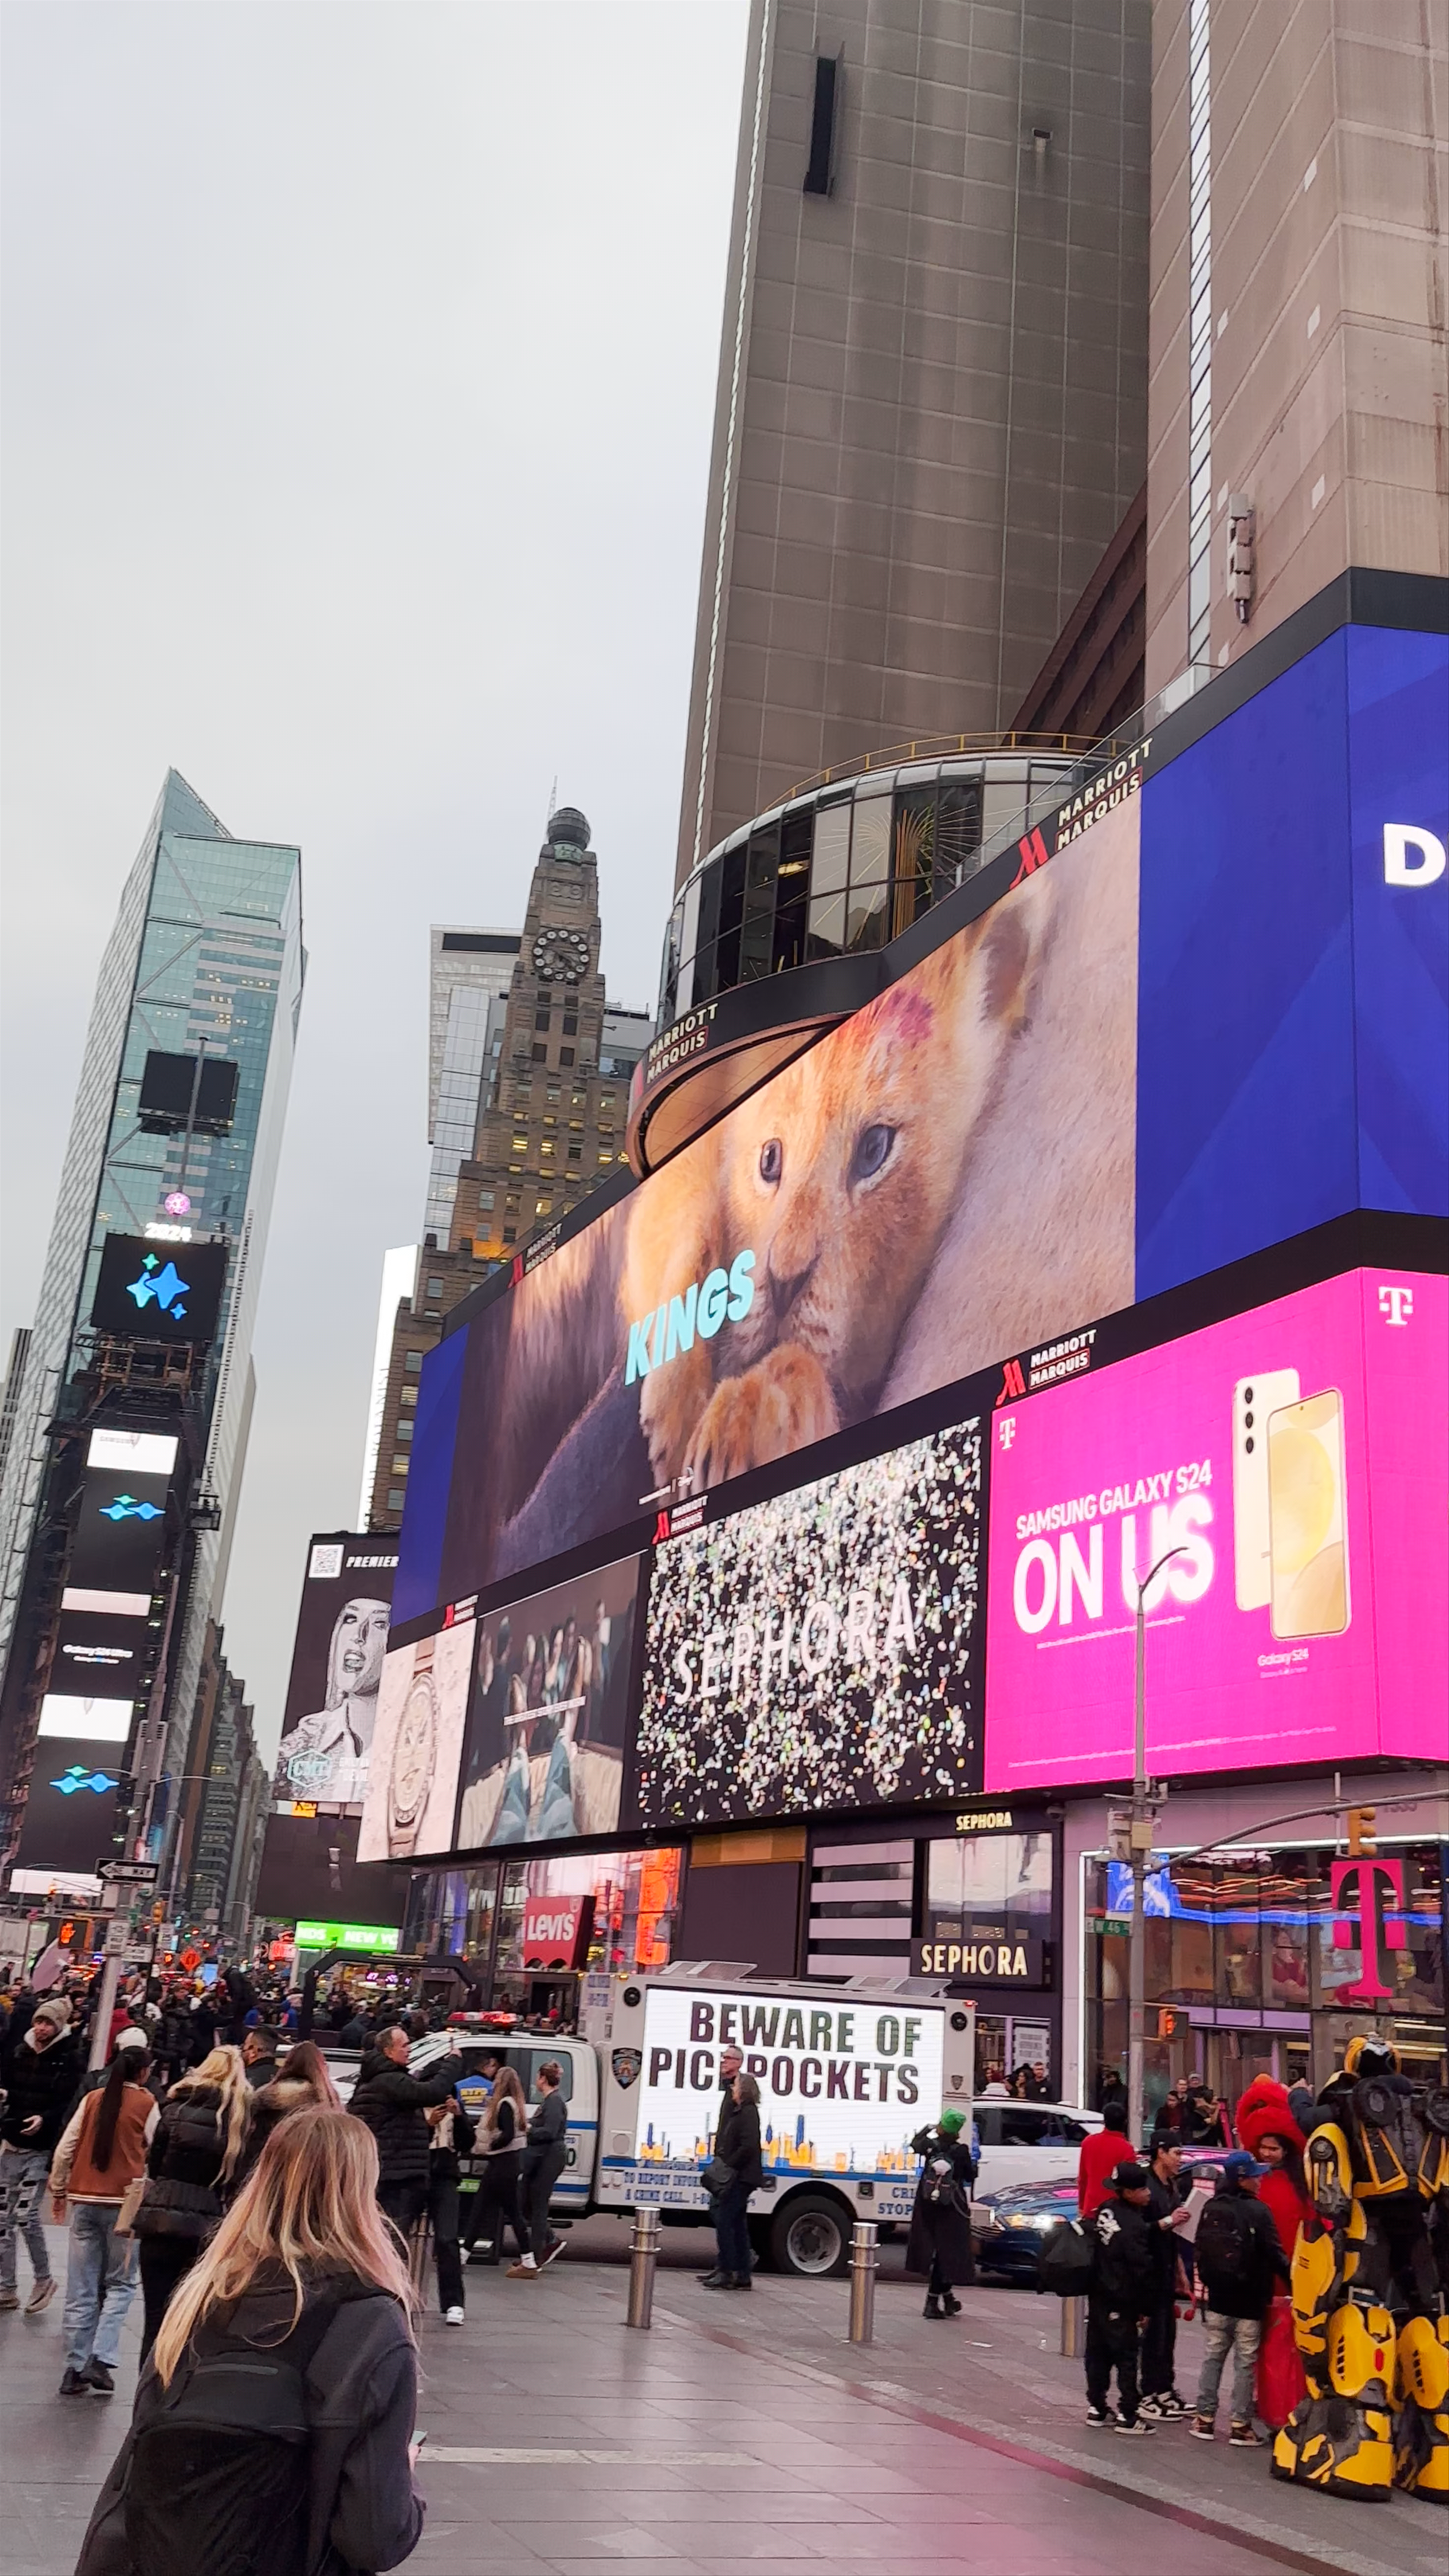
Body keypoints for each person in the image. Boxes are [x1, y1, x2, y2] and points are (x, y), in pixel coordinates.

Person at [74, 2107, 424, 2576]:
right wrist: (403, 2474)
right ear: (361, 2193)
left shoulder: (201, 2302)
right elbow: (375, 2539)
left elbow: (133, 2476)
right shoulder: (372, 2322)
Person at [49, 2038, 158, 2397]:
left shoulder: (92, 2098)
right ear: (144, 2072)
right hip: (124, 2202)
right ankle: (102, 2355)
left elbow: (67, 2146)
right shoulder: (146, 2103)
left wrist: (60, 2187)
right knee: (122, 2284)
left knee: (81, 2286)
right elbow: (158, 2147)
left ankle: (74, 2366)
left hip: (85, 2198)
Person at [132, 2044, 252, 2358]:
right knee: (189, 2318)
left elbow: (155, 2165)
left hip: (160, 2217)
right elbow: (236, 2178)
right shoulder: (235, 2121)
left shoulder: (173, 2108)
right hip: (205, 2224)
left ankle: (147, 2388)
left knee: (155, 2316)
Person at [1190, 2148, 1291, 2447]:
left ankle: (1204, 2419)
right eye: (1255, 2177)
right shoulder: (1259, 2211)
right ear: (1243, 2178)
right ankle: (1240, 2425)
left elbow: (1200, 2247)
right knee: (1246, 2362)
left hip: (1219, 2296)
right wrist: (1294, 2283)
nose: (1260, 2181)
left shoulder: (1212, 2206)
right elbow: (1274, 2254)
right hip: (1250, 2299)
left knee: (1213, 2356)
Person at [0, 1993, 80, 2316]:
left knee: (26, 2213)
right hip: (12, 2142)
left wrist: (45, 2119)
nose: (42, 2028)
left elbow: (69, 2103)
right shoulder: (19, 2050)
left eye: (48, 2022)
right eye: (39, 2021)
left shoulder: (70, 2057)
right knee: (3, 2217)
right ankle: (6, 2285)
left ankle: (43, 2277)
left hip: (42, 2146)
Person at [347, 2024, 463, 2245]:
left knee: (388, 2237)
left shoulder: (379, 2079)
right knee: (393, 2240)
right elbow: (432, 2092)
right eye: (404, 2045)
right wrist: (453, 2062)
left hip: (391, 2171)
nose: (409, 2049)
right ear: (388, 2052)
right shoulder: (390, 2081)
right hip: (397, 2176)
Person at [1085, 2161, 1156, 2435]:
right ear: (1128, 2192)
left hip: (1099, 2294)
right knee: (1126, 2356)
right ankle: (1128, 2414)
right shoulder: (1134, 2225)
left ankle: (1097, 2407)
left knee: (1098, 2353)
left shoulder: (1106, 2210)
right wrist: (1146, 2307)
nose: (1148, 2193)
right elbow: (1141, 2269)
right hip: (1123, 2299)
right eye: (1142, 2189)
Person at [235, 2039, 344, 2187]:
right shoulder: (329, 2100)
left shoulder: (267, 2095)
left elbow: (253, 2138)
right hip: (314, 2172)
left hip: (268, 2169)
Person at [1138, 2136, 1193, 2419]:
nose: (1180, 2158)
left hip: (1167, 2266)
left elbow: (1172, 2234)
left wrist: (1182, 2270)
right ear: (1160, 2153)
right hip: (1148, 2269)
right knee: (1153, 2334)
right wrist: (1170, 2220)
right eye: (1176, 2152)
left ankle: (1164, 2388)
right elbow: (1139, 2229)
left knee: (1167, 2333)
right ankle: (1147, 2393)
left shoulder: (1171, 2185)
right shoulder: (1146, 2186)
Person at [906, 2107, 977, 2319]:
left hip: (927, 2206)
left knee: (936, 2251)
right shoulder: (961, 2151)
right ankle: (932, 2302)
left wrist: (927, 2129)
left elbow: (914, 2143)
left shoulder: (929, 2146)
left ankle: (948, 2300)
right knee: (948, 2254)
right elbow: (970, 2177)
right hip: (951, 2208)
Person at [508, 2060, 571, 2278]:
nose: (536, 2081)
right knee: (528, 2201)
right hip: (544, 2157)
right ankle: (547, 2242)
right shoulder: (551, 2101)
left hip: (550, 2157)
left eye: (538, 2077)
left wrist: (528, 2129)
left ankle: (535, 2257)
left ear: (543, 2079)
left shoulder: (554, 2102)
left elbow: (550, 2131)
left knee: (538, 2204)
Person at [701, 2070, 762, 2292]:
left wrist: (729, 2165)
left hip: (740, 2178)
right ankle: (743, 2274)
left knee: (726, 2222)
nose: (733, 2089)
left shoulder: (747, 2113)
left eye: (736, 2085)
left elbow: (748, 2146)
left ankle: (727, 2272)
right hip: (741, 2177)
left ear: (744, 2090)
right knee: (737, 2225)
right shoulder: (741, 2111)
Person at [423, 2084, 476, 2324]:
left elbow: (467, 2143)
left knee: (447, 2238)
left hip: (445, 2174)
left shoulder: (455, 2110)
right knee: (397, 2234)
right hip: (416, 2172)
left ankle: (454, 2302)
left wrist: (459, 2116)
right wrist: (429, 2124)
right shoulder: (414, 2108)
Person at [468, 2065, 527, 2265]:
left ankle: (463, 2254)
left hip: (500, 2164)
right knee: (512, 2213)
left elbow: (507, 2135)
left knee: (480, 2210)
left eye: (496, 2080)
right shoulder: (515, 2104)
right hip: (509, 2165)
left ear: (501, 2084)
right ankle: (529, 2259)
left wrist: (491, 2145)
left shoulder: (503, 2105)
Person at [1077, 2099, 1132, 2219]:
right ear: (1125, 2122)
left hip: (1090, 2207)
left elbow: (1083, 2179)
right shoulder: (1127, 2149)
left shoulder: (1088, 2142)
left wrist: (1081, 2206)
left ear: (1105, 2122)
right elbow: (1130, 2186)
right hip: (1115, 2213)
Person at [241, 2024, 280, 2088]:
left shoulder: (242, 2079)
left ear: (253, 2052)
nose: (241, 2050)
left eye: (245, 2045)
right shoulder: (285, 2077)